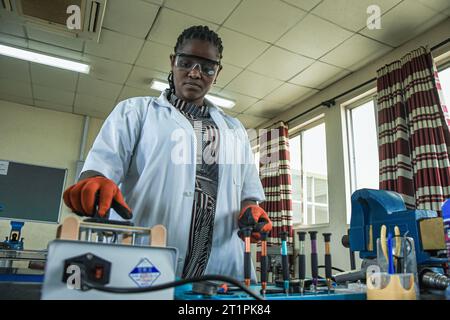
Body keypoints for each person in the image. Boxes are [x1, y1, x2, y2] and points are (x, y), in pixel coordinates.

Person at [63, 25, 272, 281]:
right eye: (186, 62)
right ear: (173, 62)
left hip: (221, 266)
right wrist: (95, 181)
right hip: (144, 258)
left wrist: (252, 211)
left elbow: (248, 194)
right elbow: (101, 167)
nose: (195, 73)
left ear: (217, 73)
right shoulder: (135, 112)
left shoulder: (235, 129)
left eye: (207, 68)